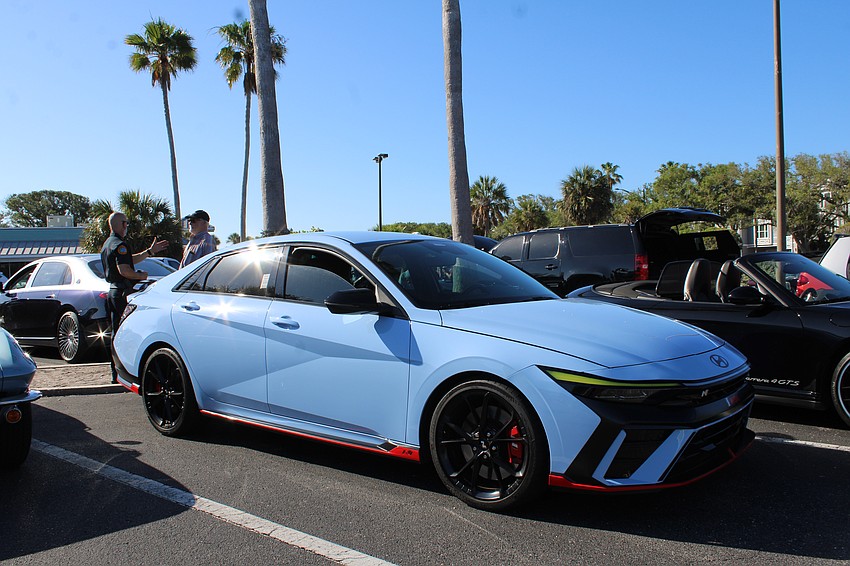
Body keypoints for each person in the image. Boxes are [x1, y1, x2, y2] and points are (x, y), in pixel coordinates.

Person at [101, 211, 168, 382]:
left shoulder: (109, 243)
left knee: (116, 331)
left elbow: (129, 260)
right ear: (122, 224)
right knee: (124, 332)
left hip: (114, 291)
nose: (127, 227)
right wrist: (142, 276)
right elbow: (125, 270)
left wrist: (149, 252)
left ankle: (115, 372)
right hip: (123, 293)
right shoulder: (120, 244)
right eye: (126, 223)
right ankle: (122, 372)